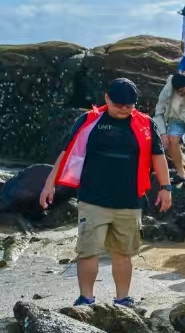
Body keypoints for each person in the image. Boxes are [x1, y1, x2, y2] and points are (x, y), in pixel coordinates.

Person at [39, 78, 172, 306]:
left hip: (130, 200)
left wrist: (166, 187)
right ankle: (86, 298)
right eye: (118, 105)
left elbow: (157, 157)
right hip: (92, 199)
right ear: (107, 99)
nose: (124, 110)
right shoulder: (89, 121)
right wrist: (49, 184)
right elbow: (67, 152)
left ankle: (122, 299)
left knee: (123, 253)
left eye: (129, 106)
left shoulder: (145, 124)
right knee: (88, 251)